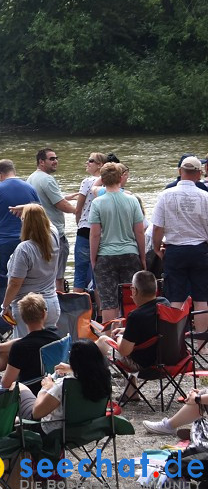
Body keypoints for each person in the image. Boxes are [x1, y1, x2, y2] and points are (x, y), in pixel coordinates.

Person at [151, 156, 208, 329]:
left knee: (176, 299)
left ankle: (177, 343)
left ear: (180, 171)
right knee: (202, 299)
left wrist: (156, 248)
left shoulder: (165, 195)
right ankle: (202, 344)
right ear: (199, 174)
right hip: (200, 251)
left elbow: (157, 228)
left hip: (175, 250)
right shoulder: (205, 196)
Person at [0, 294, 60, 411]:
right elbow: (28, 339)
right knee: (6, 351)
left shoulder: (20, 348)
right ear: (44, 314)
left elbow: (5, 384)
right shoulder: (56, 338)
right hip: (50, 388)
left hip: (28, 393)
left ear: (22, 317)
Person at [89, 162, 146, 324]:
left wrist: (93, 259)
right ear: (121, 178)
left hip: (105, 255)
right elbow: (139, 232)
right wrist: (142, 256)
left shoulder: (98, 203)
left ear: (103, 179)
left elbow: (95, 234)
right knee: (131, 299)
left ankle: (110, 342)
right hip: (130, 253)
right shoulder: (132, 200)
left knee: (108, 301)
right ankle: (132, 337)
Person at [94, 271, 167, 386]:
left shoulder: (136, 316)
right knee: (131, 344)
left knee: (103, 340)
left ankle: (92, 382)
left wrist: (119, 336)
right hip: (169, 360)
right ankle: (131, 392)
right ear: (155, 289)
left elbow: (124, 351)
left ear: (134, 290)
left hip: (145, 366)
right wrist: (127, 331)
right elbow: (153, 329)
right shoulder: (164, 304)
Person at [2, 203, 61, 336]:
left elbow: (15, 283)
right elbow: (47, 221)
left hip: (28, 307)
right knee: (48, 348)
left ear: (24, 223)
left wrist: (5, 306)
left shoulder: (24, 249)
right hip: (51, 304)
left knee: (26, 348)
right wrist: (32, 209)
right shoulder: (54, 236)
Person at [30, 341, 111, 435]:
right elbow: (89, 370)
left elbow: (36, 414)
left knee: (22, 389)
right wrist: (72, 368)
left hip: (55, 432)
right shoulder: (104, 379)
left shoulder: (64, 385)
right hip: (89, 428)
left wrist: (45, 388)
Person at [27, 148, 76, 289]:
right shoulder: (48, 180)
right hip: (55, 234)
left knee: (43, 275)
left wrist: (66, 197)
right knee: (58, 277)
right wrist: (78, 211)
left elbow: (45, 200)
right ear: (41, 162)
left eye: (56, 158)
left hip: (39, 232)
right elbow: (60, 205)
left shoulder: (32, 178)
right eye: (52, 159)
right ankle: (59, 307)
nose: (56, 161)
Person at [0, 159, 39, 275]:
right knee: (28, 276)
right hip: (28, 240)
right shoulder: (30, 188)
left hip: (5, 241)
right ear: (14, 171)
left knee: (5, 280)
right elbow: (39, 212)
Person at [72, 152, 107, 292]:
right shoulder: (111, 183)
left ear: (100, 165)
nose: (87, 163)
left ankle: (78, 308)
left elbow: (78, 208)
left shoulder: (87, 182)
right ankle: (100, 311)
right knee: (99, 272)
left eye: (91, 161)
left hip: (86, 228)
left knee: (80, 271)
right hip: (103, 230)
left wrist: (79, 223)